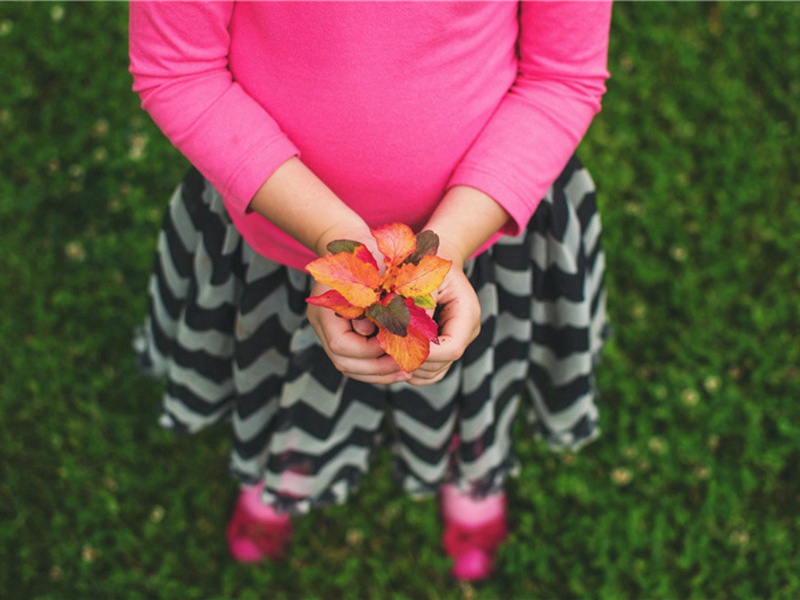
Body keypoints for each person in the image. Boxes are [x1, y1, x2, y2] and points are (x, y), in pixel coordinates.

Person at [129, 0, 612, 582]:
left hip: (482, 228)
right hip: (278, 231)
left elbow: (561, 77)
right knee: (278, 369)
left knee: (470, 372)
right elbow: (179, 72)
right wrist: (333, 240)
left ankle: (468, 461)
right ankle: (287, 463)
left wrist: (447, 247)